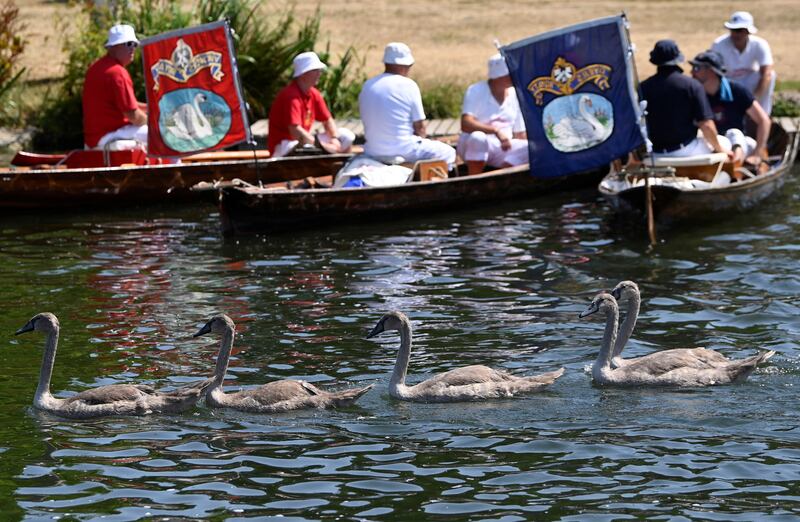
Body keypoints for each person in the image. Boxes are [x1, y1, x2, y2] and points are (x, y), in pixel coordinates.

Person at [358, 42, 456, 167]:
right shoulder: (408, 85)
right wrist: (423, 140)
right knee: (448, 152)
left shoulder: (368, 85)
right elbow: (419, 127)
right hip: (403, 149)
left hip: (372, 149)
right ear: (404, 65)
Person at [639, 40, 731, 159]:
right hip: (686, 151)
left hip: (655, 154)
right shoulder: (691, 85)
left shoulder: (643, 87)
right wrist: (721, 150)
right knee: (723, 142)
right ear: (677, 58)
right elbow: (706, 125)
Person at [690, 50, 771, 166]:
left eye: (697, 68)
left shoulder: (737, 91)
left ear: (711, 71)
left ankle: (734, 168)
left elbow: (764, 121)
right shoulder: (694, 93)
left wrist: (757, 154)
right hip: (711, 144)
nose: (692, 72)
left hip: (739, 143)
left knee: (736, 134)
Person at [267, 51, 355, 157]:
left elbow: (327, 120)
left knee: (347, 136)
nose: (319, 73)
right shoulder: (291, 95)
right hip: (284, 146)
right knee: (306, 148)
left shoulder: (313, 93)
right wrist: (322, 145)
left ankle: (339, 166)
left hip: (304, 141)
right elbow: (295, 132)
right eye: (315, 70)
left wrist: (334, 138)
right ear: (304, 73)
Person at [457, 54, 527, 174]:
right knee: (478, 138)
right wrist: (496, 131)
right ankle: (474, 178)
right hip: (475, 145)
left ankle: (503, 177)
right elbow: (466, 124)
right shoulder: (476, 90)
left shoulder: (515, 94)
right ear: (498, 76)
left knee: (530, 148)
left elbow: (519, 133)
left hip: (504, 147)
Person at [82, 24, 148, 150]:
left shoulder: (96, 68)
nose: (133, 49)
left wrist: (151, 108)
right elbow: (133, 115)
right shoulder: (117, 73)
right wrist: (152, 120)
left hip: (94, 138)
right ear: (114, 46)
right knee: (163, 133)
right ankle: (176, 167)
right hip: (109, 135)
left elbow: (125, 105)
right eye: (128, 44)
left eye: (135, 44)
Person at [711, 11, 775, 115]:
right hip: (728, 83)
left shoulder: (760, 44)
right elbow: (713, 71)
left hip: (749, 81)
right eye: (733, 30)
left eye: (739, 30)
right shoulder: (718, 44)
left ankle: (763, 114)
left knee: (771, 75)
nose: (735, 34)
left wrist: (755, 100)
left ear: (748, 31)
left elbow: (766, 72)